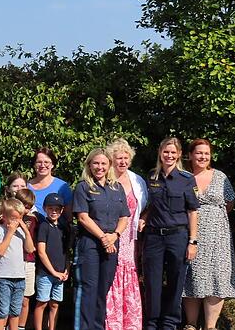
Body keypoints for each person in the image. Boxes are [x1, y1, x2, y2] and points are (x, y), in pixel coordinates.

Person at [140, 137, 199, 330]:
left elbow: (192, 211)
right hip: (154, 237)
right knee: (152, 283)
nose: (169, 155)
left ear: (180, 154)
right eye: (166, 151)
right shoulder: (151, 177)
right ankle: (151, 323)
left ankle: (170, 324)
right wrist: (144, 217)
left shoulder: (187, 179)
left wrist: (193, 241)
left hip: (178, 237)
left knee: (175, 283)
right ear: (160, 152)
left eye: (173, 152)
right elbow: (151, 205)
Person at [182, 138, 235, 330]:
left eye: (206, 153)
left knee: (217, 276)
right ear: (190, 155)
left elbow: (230, 202)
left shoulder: (220, 176)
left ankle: (210, 326)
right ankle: (190, 324)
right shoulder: (183, 176)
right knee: (192, 276)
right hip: (191, 235)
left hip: (218, 236)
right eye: (199, 152)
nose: (203, 156)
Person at [73, 148, 130, 330]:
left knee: (102, 290)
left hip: (112, 244)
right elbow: (83, 217)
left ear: (109, 166)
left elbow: (124, 217)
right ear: (89, 165)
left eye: (103, 163)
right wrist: (103, 237)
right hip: (89, 244)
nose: (100, 167)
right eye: (96, 163)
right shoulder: (83, 187)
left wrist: (114, 236)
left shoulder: (116, 187)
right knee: (87, 290)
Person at [103, 138, 146, 330]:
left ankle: (131, 323)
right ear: (112, 159)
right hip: (111, 233)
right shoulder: (106, 178)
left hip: (130, 235)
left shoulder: (137, 180)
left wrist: (144, 217)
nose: (122, 161)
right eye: (118, 157)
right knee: (112, 272)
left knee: (129, 271)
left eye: (125, 157)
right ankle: (112, 322)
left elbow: (148, 205)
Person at [0, 197, 35, 330]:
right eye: (14, 218)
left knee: (15, 311)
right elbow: (0, 251)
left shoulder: (21, 231)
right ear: (4, 216)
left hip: (20, 277)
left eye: (20, 218)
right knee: (2, 311)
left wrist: (26, 232)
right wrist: (10, 232)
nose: (17, 221)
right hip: (4, 277)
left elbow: (30, 249)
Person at [34, 194, 68, 330]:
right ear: (45, 209)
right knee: (42, 302)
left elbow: (66, 251)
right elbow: (41, 252)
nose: (54, 211)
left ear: (62, 210)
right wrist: (53, 272)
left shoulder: (64, 227)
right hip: (45, 273)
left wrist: (66, 269)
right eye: (50, 208)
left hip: (60, 273)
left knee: (55, 304)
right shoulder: (44, 226)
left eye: (57, 209)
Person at [13, 188, 38, 330]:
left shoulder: (33, 219)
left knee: (25, 298)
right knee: (11, 297)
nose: (26, 209)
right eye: (24, 206)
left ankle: (21, 326)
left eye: (29, 206)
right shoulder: (5, 217)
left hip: (28, 260)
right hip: (13, 261)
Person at [27, 148, 73, 219]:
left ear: (52, 165)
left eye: (46, 162)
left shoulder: (62, 187)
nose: (42, 165)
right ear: (34, 165)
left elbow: (68, 217)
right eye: (39, 162)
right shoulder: (26, 186)